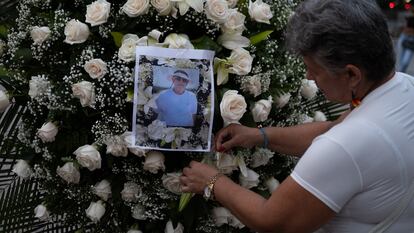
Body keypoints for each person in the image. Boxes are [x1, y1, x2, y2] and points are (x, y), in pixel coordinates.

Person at [179, 0, 414, 232]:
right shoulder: (404, 85)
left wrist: (211, 181)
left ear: (352, 74)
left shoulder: (345, 145)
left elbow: (272, 221)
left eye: (315, 69)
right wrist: (257, 135)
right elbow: (331, 128)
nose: (310, 77)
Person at [397, 8, 414, 73]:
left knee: (405, 61)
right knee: (401, 60)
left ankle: (402, 73)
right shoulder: (407, 16)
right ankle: (401, 73)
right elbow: (400, 26)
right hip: (403, 37)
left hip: (412, 39)